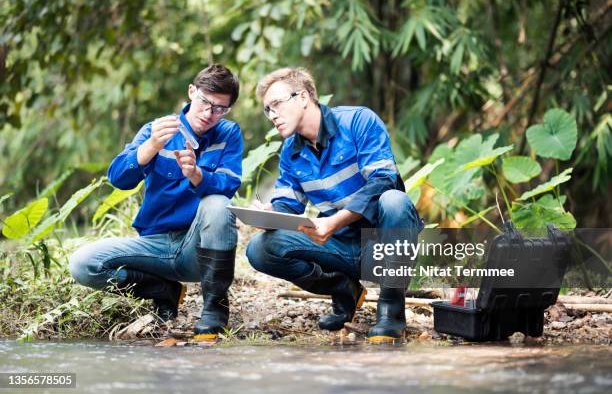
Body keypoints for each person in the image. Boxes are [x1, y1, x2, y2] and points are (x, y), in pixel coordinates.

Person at [246, 67, 424, 342]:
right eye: (267, 110)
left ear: (303, 96)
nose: (272, 116)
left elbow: (384, 180)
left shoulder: (358, 121)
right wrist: (270, 214)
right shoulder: (290, 153)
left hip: (383, 244)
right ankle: (344, 289)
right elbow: (288, 204)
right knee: (260, 249)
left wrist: (336, 220)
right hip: (340, 247)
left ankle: (391, 310)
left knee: (395, 201)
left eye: (277, 104)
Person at [70, 64, 243, 340]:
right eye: (204, 102)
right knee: (83, 264)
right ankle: (164, 290)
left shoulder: (229, 134)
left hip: (198, 249)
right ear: (191, 92)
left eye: (220, 109)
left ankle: (215, 307)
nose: (209, 114)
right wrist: (149, 147)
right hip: (154, 246)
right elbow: (118, 178)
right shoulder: (158, 129)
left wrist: (197, 175)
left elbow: (229, 184)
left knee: (219, 204)